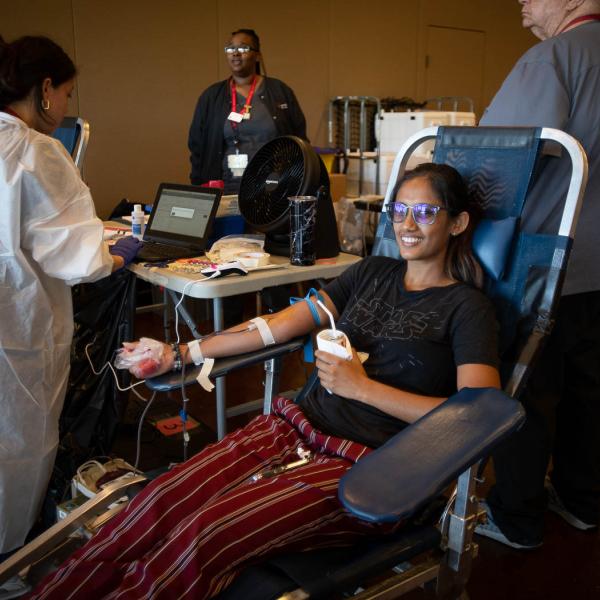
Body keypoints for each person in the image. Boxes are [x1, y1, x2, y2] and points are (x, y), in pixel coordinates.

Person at [31, 163, 500, 599]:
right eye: (400, 209)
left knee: (205, 533)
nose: (408, 224)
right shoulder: (372, 273)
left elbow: (476, 416)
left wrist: (363, 388)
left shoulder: (467, 309)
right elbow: (274, 326)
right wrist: (182, 352)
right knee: (156, 503)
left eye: (425, 212)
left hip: (366, 466)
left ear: (457, 223)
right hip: (290, 427)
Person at [0, 35, 142, 564]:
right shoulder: (35, 151)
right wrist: (120, 253)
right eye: (65, 94)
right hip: (14, 334)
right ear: (43, 89)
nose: (64, 109)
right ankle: (12, 567)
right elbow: (77, 257)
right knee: (17, 446)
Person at [475, 0, 600, 549]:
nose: (523, 5)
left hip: (549, 264)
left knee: (526, 390)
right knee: (592, 390)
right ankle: (583, 500)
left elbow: (491, 167)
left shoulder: (552, 60)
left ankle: (517, 518)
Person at [188, 28, 307, 194]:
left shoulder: (280, 92)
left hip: (273, 188)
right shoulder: (211, 96)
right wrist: (198, 190)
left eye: (243, 48)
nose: (235, 53)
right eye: (230, 48)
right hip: (227, 188)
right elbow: (197, 147)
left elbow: (300, 140)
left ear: (257, 55)